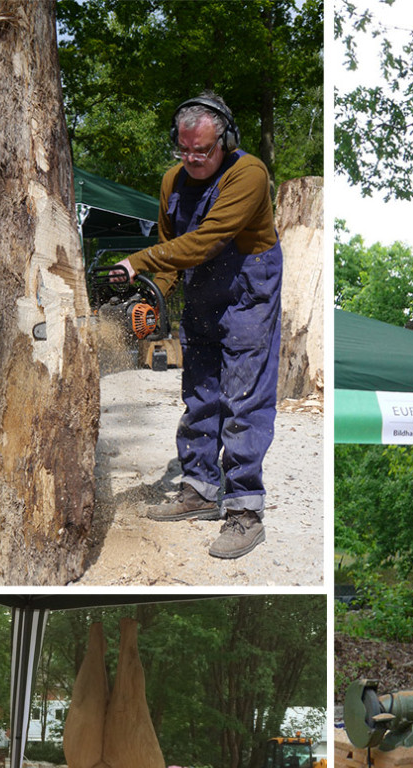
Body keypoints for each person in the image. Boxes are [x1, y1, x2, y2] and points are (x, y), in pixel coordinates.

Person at [114, 92, 282, 559]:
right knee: (200, 393)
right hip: (202, 290)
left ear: (226, 140)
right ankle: (199, 491)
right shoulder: (173, 181)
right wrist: (150, 295)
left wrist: (138, 261)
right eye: (184, 150)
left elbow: (209, 239)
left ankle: (245, 512)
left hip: (249, 289)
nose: (192, 160)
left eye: (203, 151)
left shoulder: (249, 174)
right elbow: (171, 252)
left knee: (243, 398)